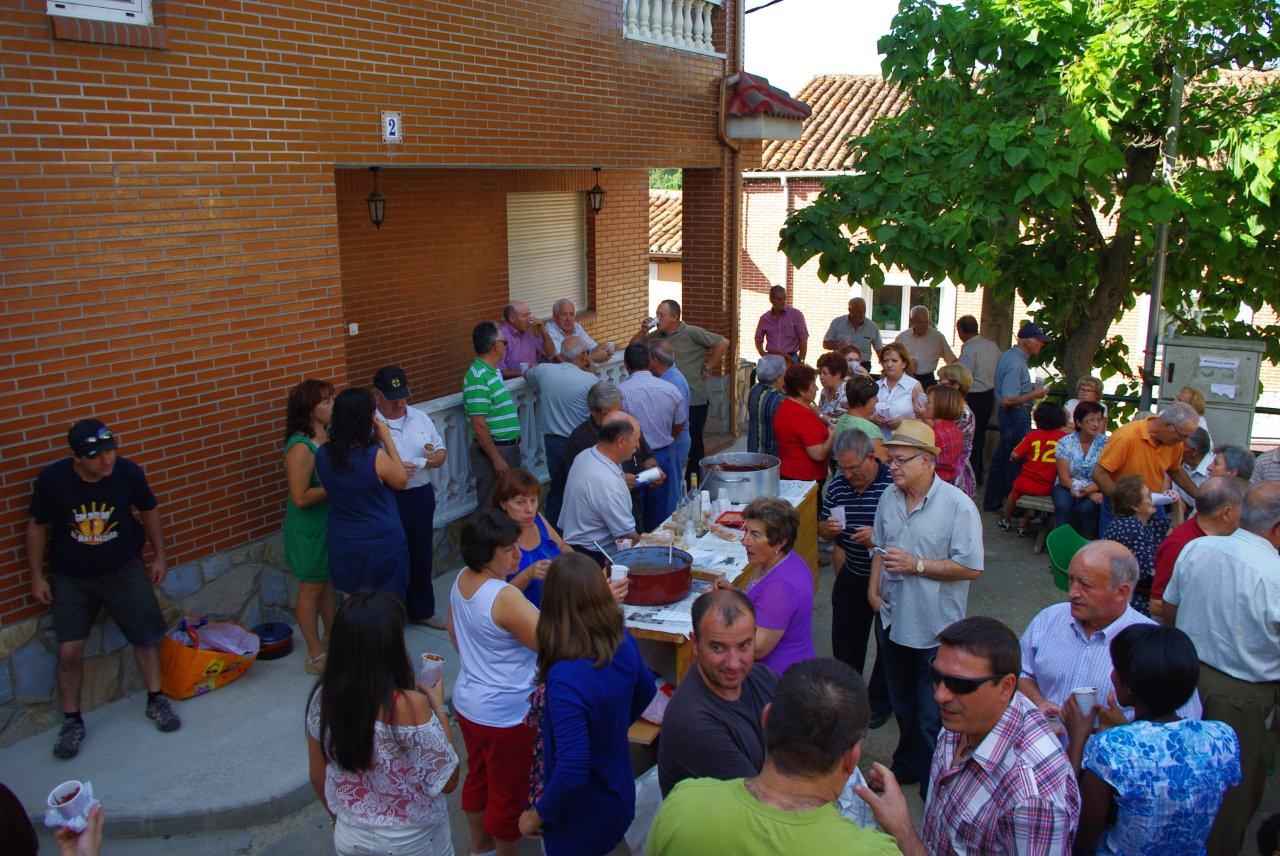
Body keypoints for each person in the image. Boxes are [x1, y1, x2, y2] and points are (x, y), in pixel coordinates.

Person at [648, 658, 917, 854]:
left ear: (766, 719)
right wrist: (902, 830)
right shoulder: (871, 850)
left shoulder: (682, 805)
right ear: (852, 757)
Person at [27, 419, 180, 759]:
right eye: (96, 456)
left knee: (146, 638)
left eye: (110, 451)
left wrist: (160, 556)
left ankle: (156, 700)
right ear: (76, 458)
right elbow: (37, 527)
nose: (107, 460)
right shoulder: (53, 481)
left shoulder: (128, 473)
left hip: (124, 569)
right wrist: (37, 576)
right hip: (72, 578)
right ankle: (72, 721)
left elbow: (149, 511)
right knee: (69, 651)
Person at [1163, 481, 1280, 855]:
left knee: (1175, 775)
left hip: (1185, 678)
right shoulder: (1274, 574)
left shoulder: (1199, 548)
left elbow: (1170, 608)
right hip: (1241, 698)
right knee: (1229, 800)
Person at [870, 420, 983, 794]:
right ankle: (907, 765)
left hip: (935, 628)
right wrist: (873, 591)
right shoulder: (889, 497)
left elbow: (971, 567)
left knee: (932, 714)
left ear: (927, 461)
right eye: (891, 459)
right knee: (902, 704)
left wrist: (917, 565)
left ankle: (935, 787)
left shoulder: (958, 506)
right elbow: (879, 547)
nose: (892, 466)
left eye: (900, 460)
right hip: (891, 618)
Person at [518, 553, 655, 855]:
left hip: (580, 818)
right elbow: (646, 690)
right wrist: (611, 728)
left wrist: (536, 816)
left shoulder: (565, 679)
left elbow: (572, 769)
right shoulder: (622, 640)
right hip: (618, 793)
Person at [1062, 624, 1240, 855]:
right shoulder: (1222, 736)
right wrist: (1126, 731)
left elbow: (1079, 837)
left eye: (1116, 668)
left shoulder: (1111, 747)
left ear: (1129, 685)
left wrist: (1077, 739)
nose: (1112, 675)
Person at [306, 590, 460, 855]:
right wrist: (439, 708)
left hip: (351, 836)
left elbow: (317, 775)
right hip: (412, 842)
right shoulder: (410, 705)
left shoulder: (322, 697)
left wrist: (340, 819)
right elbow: (448, 780)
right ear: (390, 646)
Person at [921, 617, 1080, 853]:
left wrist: (903, 831)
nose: (940, 695)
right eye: (936, 677)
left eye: (960, 684)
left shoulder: (1032, 798)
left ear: (1006, 686)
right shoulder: (965, 716)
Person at [1018, 540, 1202, 731]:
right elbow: (1021, 671)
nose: (1072, 593)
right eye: (1071, 579)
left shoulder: (1155, 648)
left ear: (1121, 592)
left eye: (1086, 585)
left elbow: (1184, 729)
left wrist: (1120, 733)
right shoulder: (1049, 618)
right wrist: (1039, 703)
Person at [447, 509, 539, 856]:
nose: (518, 554)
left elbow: (453, 630)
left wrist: (481, 661)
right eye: (508, 550)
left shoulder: (462, 579)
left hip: (470, 701)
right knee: (508, 793)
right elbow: (550, 642)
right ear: (485, 556)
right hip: (507, 714)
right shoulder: (504, 597)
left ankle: (479, 848)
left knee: (479, 776)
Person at [657, 588, 780, 796]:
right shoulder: (694, 724)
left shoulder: (763, 677)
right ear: (695, 644)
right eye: (718, 648)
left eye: (744, 645)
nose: (733, 664)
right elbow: (761, 803)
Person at [818, 429, 893, 726]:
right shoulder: (838, 485)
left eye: (853, 468)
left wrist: (878, 536)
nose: (848, 475)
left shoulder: (892, 484)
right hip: (852, 574)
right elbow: (823, 527)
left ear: (871, 458)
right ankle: (848, 701)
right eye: (842, 467)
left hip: (888, 581)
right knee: (846, 644)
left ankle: (879, 704)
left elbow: (910, 533)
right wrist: (827, 529)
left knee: (887, 647)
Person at [314, 389, 410, 600]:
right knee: (387, 603)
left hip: (344, 539)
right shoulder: (374, 456)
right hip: (380, 540)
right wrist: (386, 437)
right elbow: (401, 480)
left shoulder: (322, 454)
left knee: (353, 603)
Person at [372, 365, 447, 629]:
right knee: (392, 556)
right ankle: (393, 613)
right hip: (390, 496)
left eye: (403, 397)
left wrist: (432, 460)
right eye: (392, 400)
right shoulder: (372, 424)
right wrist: (391, 470)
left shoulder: (419, 417)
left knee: (421, 553)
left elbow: (441, 451)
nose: (400, 404)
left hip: (420, 494)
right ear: (377, 395)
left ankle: (423, 609)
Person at [711, 497, 816, 675]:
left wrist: (713, 627)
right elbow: (761, 603)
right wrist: (735, 594)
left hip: (777, 679)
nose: (745, 541)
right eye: (746, 531)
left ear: (780, 542)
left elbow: (757, 648)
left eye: (755, 535)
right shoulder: (783, 560)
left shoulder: (781, 589)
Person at [635, 298, 729, 480]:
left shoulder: (691, 332)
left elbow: (723, 342)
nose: (657, 318)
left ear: (674, 317)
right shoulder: (656, 335)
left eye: (661, 315)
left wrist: (709, 366)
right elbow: (634, 347)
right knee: (669, 442)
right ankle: (670, 480)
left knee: (694, 445)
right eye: (657, 314)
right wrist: (643, 331)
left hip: (693, 400)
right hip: (664, 400)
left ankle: (693, 484)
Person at [282, 379, 338, 674]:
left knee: (327, 583)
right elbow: (300, 496)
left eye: (332, 399)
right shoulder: (300, 447)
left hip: (328, 522)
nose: (332, 405)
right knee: (310, 588)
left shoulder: (328, 434)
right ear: (309, 409)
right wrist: (337, 486)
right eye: (326, 402)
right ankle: (314, 653)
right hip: (308, 528)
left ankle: (331, 639)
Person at [554, 381, 660, 527]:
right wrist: (618, 480)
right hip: (602, 515)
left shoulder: (626, 423)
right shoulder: (579, 439)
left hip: (634, 500)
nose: (617, 415)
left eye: (620, 409)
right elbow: (580, 481)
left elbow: (645, 454)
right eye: (610, 413)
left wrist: (652, 470)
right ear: (594, 412)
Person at [1092, 402, 1201, 536]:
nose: (1185, 441)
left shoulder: (1175, 443)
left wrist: (1199, 495)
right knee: (1113, 547)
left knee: (1156, 545)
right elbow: (1099, 474)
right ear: (1167, 426)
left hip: (1153, 503)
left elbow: (1175, 470)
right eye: (1183, 436)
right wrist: (1122, 503)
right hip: (1121, 506)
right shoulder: (1126, 436)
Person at [524, 335, 598, 525]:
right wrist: (593, 371)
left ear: (562, 354)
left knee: (557, 489)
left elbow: (527, 374)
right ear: (584, 356)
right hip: (581, 443)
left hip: (554, 442)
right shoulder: (589, 380)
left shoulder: (544, 371)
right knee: (584, 490)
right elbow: (600, 406)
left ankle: (554, 534)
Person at [1150, 475, 1245, 620]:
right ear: (1226, 513)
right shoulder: (1179, 545)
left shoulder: (1228, 537)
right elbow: (1156, 604)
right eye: (1243, 509)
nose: (1246, 515)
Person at [558, 412, 643, 566]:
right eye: (636, 440)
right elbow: (628, 537)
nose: (638, 446)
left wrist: (621, 480)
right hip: (593, 557)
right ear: (621, 442)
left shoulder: (586, 455)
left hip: (577, 543)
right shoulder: (608, 483)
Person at [982, 322, 1051, 512]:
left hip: (1013, 415)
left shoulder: (1011, 357)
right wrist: (1035, 394)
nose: (1042, 344)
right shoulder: (1015, 363)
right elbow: (1008, 399)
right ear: (1028, 341)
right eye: (1039, 340)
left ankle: (995, 502)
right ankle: (1012, 505)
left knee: (1003, 457)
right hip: (1016, 415)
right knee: (1013, 459)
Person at [619, 341, 682, 531]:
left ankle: (639, 541)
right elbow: (679, 423)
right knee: (659, 510)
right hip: (662, 455)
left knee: (633, 508)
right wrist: (667, 437)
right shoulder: (670, 389)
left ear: (626, 365)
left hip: (632, 459)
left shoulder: (620, 392)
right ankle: (657, 542)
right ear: (649, 362)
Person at [491, 467, 572, 609]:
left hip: (564, 601)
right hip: (530, 613)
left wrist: (580, 565)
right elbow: (498, 599)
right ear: (503, 504)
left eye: (533, 500)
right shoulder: (497, 538)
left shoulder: (538, 519)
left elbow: (561, 546)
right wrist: (528, 575)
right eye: (520, 502)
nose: (529, 509)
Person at [464, 321, 523, 510]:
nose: (506, 347)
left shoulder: (491, 373)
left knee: (511, 505)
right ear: (494, 345)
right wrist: (497, 458)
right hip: (495, 451)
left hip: (507, 448)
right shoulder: (478, 377)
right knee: (492, 506)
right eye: (504, 342)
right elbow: (479, 424)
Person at [998, 400, 1069, 536]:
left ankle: (1006, 520)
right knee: (1033, 500)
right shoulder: (1064, 438)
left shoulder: (1032, 435)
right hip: (1048, 486)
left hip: (1026, 482)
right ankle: (1023, 525)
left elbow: (1014, 455)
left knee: (1012, 496)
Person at [1105, 474, 1170, 616]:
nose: (1153, 498)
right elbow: (1151, 573)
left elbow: (1174, 530)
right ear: (1135, 506)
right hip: (1132, 601)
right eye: (1148, 496)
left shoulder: (1141, 520)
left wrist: (1178, 505)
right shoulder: (1131, 528)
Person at [1053, 400, 1109, 537]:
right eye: (1091, 420)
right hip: (1067, 485)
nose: (1096, 424)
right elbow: (1063, 478)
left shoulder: (1106, 443)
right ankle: (1061, 543)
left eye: (1099, 420)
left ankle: (1086, 545)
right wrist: (1084, 491)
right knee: (1063, 506)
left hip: (1095, 486)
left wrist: (1089, 491)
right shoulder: (1065, 442)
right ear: (1078, 422)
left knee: (1086, 509)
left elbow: (1105, 475)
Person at [772, 363, 834, 482]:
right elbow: (818, 454)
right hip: (805, 477)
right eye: (813, 385)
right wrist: (832, 436)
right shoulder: (802, 415)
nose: (816, 389)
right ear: (801, 390)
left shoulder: (786, 405)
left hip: (789, 471)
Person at [956, 315, 999, 483]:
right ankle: (978, 474)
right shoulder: (992, 345)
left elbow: (962, 377)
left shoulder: (970, 350)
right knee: (980, 435)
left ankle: (971, 476)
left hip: (972, 396)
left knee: (968, 437)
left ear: (960, 331)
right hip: (989, 395)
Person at [650, 338, 692, 501]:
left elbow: (679, 421)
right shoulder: (668, 377)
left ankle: (674, 514)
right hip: (674, 439)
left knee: (672, 489)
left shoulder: (673, 381)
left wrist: (670, 438)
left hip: (676, 440)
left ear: (655, 360)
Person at [935, 362, 978, 496]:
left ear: (956, 386)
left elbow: (945, 439)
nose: (938, 387)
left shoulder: (964, 414)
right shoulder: (951, 408)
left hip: (954, 472)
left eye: (942, 382)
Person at [871, 341, 924, 440]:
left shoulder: (914, 386)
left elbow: (924, 421)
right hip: (877, 441)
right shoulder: (876, 386)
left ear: (904, 364)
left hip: (904, 442)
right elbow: (863, 414)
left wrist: (904, 422)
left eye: (894, 360)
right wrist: (873, 418)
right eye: (885, 361)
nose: (889, 364)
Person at [895, 305, 956, 388]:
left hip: (928, 380)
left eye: (926, 322)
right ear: (912, 321)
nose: (924, 325)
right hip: (906, 378)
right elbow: (894, 360)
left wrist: (948, 378)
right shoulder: (902, 338)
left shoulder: (937, 337)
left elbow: (952, 360)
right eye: (920, 323)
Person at [822, 296, 883, 373]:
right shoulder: (837, 322)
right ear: (850, 311)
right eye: (859, 312)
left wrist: (884, 367)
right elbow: (825, 344)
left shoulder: (872, 327)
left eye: (864, 312)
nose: (862, 315)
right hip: (840, 364)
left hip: (862, 364)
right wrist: (837, 344)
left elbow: (879, 350)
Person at [925, 384, 968, 493]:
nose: (925, 404)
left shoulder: (935, 434)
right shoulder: (955, 429)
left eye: (929, 401)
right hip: (949, 484)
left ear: (941, 405)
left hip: (933, 487)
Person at [834, 374, 886, 460]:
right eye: (874, 397)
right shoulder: (869, 429)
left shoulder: (842, 419)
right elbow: (882, 461)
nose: (877, 400)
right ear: (866, 399)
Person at [543, 297, 611, 362]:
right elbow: (562, 359)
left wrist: (605, 349)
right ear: (555, 316)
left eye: (572, 314)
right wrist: (593, 357)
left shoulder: (576, 327)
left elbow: (593, 347)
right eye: (564, 314)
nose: (568, 319)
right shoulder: (550, 329)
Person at [754, 284, 808, 364]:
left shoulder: (796, 315)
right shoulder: (765, 318)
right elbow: (758, 339)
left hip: (791, 358)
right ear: (771, 299)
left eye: (784, 298)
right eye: (779, 299)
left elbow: (803, 339)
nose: (783, 302)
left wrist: (801, 361)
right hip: (771, 358)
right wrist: (763, 353)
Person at [746, 354, 786, 456]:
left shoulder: (754, 389)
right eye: (784, 373)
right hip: (771, 457)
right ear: (778, 377)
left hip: (753, 451)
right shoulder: (780, 398)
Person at [497, 300, 547, 378]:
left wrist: (543, 330)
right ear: (512, 318)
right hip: (514, 382)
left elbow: (549, 353)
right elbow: (500, 372)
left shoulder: (527, 333)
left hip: (532, 378)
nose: (529, 319)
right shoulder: (501, 337)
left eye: (529, 315)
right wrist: (526, 372)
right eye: (525, 315)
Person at [1172, 427, 1213, 515]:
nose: (1173, 445)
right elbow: (1178, 501)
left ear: (1193, 451)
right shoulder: (1180, 463)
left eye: (1179, 443)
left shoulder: (1215, 470)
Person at [815, 351, 848, 425]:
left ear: (838, 374)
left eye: (825, 373)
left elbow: (839, 424)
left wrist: (819, 414)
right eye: (820, 373)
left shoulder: (846, 392)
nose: (821, 377)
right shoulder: (825, 390)